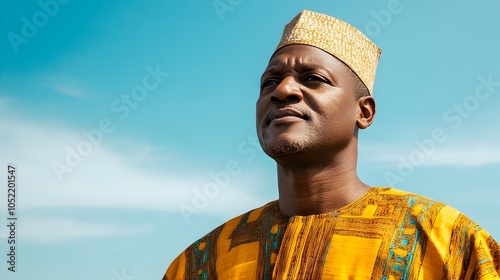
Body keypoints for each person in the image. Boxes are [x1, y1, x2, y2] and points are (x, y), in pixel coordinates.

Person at [163, 10, 500, 279]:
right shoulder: (201, 263)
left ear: (364, 111)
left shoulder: (448, 243)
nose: (283, 91)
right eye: (270, 82)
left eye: (313, 79)